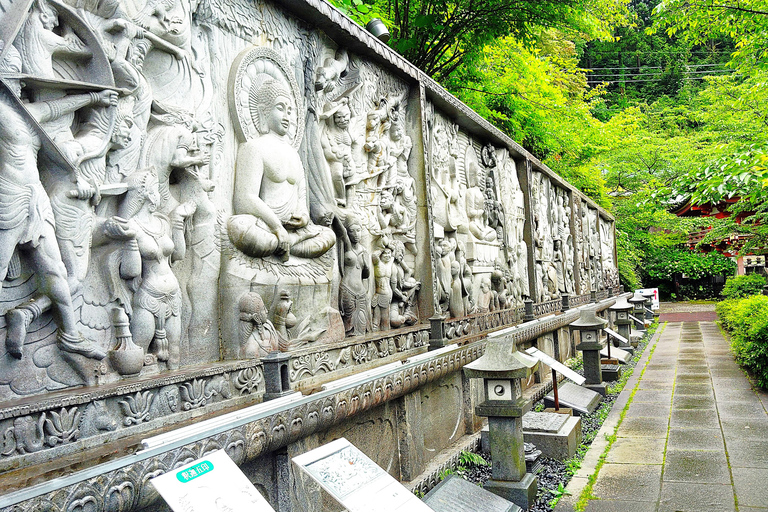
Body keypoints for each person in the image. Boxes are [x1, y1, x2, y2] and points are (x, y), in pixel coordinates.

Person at [0, 65, 116, 359]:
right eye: (14, 78)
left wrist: (94, 98)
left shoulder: (25, 113)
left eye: (19, 79)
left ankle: (71, 336)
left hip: (35, 199)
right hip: (8, 197)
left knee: (56, 270)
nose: (20, 85)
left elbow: (55, 107)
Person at [228, 77, 335, 261]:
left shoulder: (294, 155)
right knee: (239, 226)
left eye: (289, 111)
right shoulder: (253, 147)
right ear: (263, 111)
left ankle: (288, 242)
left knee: (328, 235)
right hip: (265, 225)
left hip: (294, 230)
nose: (287, 116)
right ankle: (284, 241)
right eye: (280, 108)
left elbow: (301, 198)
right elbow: (245, 199)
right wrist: (276, 227)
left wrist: (303, 216)